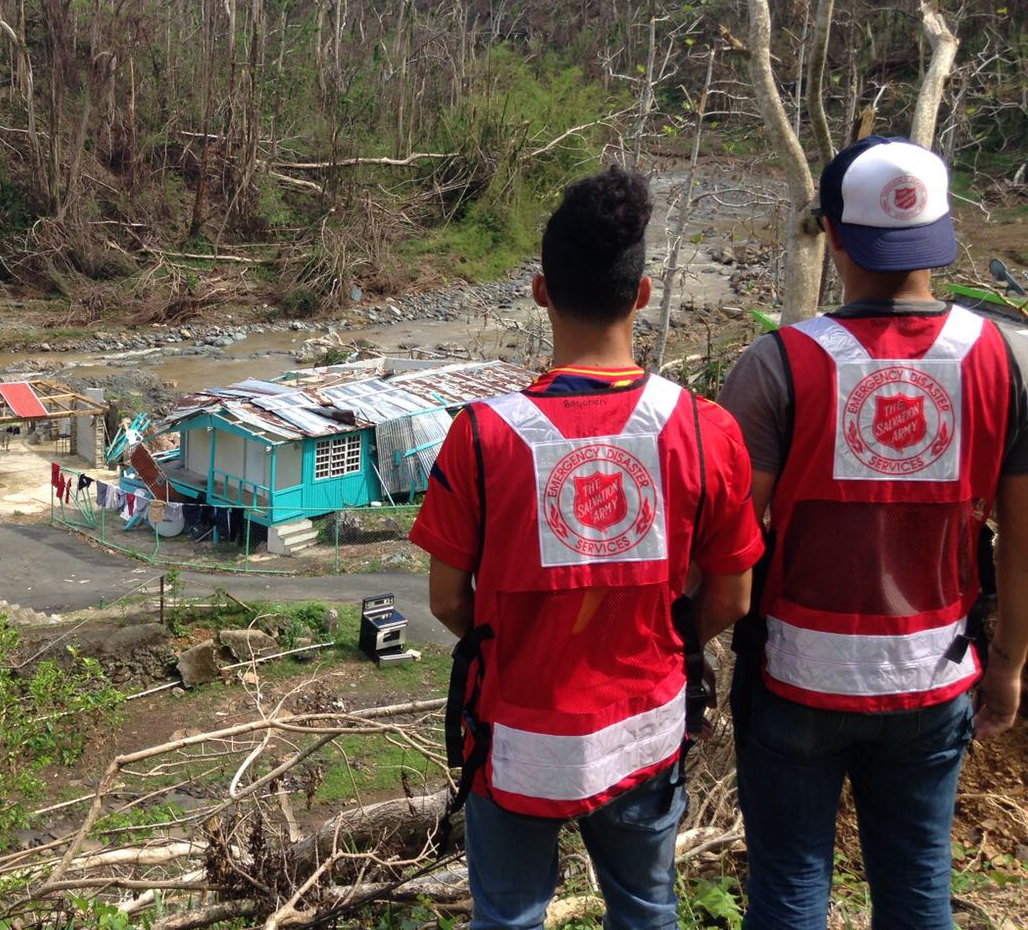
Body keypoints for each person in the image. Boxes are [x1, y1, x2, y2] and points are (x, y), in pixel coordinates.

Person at [411, 166, 764, 930]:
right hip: (644, 726)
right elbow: (733, 596)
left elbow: (446, 600)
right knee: (645, 910)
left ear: (541, 291)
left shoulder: (482, 436)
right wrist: (670, 641)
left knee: (506, 915)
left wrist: (508, 640)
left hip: (517, 734)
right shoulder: (705, 431)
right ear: (642, 297)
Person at [718, 135, 1028, 930]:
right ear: (942, 233)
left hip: (797, 674)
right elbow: (1022, 540)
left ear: (835, 233)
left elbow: (730, 538)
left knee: (789, 889)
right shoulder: (1002, 361)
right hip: (934, 670)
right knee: (919, 885)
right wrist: (1010, 663)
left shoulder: (777, 365)